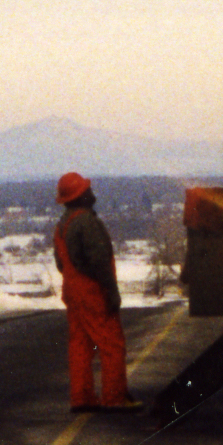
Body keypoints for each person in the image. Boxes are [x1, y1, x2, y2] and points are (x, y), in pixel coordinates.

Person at [51, 172, 136, 411]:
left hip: (72, 292)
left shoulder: (62, 225)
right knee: (111, 345)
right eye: (87, 190)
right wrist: (111, 292)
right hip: (92, 292)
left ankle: (82, 399)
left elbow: (60, 263)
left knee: (80, 346)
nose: (92, 193)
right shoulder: (87, 222)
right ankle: (114, 398)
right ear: (81, 196)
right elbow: (99, 261)